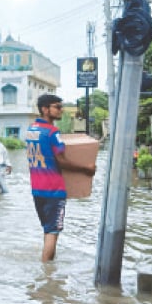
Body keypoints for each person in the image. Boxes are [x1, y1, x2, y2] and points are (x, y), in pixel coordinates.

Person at [26, 94, 96, 262]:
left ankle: (48, 268)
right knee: (53, 232)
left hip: (37, 189)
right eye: (57, 107)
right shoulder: (52, 132)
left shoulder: (31, 130)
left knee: (47, 229)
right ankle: (47, 275)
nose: (61, 110)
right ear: (45, 109)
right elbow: (61, 160)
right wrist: (86, 169)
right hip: (53, 190)